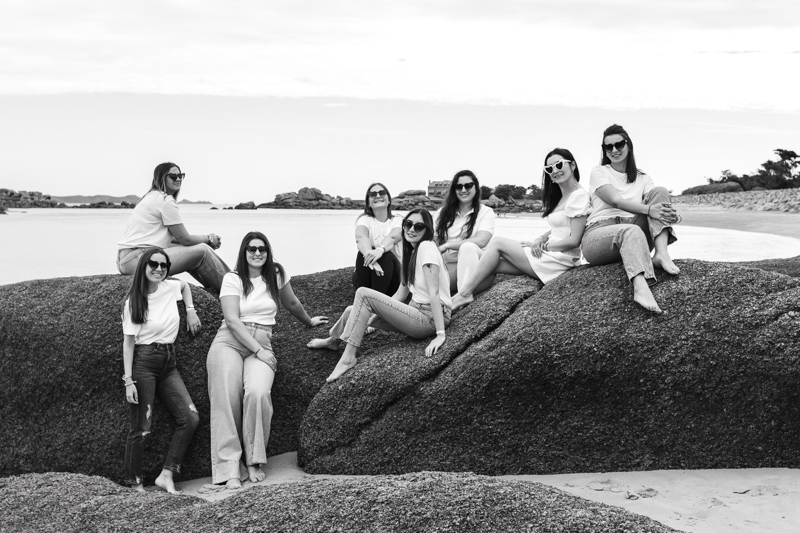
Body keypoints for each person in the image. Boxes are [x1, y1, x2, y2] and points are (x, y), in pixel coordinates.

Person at [207, 231, 328, 489]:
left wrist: (309, 321)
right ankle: (229, 468)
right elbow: (231, 320)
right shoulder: (232, 278)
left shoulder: (276, 274)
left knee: (258, 393)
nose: (257, 253)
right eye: (252, 249)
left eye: (262, 248)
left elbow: (292, 302)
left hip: (262, 339)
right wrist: (258, 350)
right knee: (226, 398)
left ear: (268, 250)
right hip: (229, 340)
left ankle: (253, 460)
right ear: (244, 251)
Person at [308, 209, 452, 383]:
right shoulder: (411, 254)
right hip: (414, 312)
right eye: (408, 224)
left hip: (429, 319)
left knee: (363, 294)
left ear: (427, 229)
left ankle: (348, 359)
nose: (411, 229)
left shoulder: (426, 247)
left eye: (418, 226)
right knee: (351, 311)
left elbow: (434, 292)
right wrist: (372, 317)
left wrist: (440, 334)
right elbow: (400, 294)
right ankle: (333, 340)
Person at [452, 148, 591, 310]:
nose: (555, 170)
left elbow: (574, 239)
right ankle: (463, 298)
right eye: (550, 168)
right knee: (491, 263)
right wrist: (539, 239)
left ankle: (462, 295)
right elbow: (559, 228)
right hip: (551, 254)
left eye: (559, 165)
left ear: (573, 165)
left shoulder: (578, 195)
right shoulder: (563, 197)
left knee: (497, 242)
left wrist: (542, 247)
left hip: (559, 260)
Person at [122, 247, 201, 495]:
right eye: (153, 264)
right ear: (144, 266)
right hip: (145, 362)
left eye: (163, 265)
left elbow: (186, 287)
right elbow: (128, 344)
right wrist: (129, 381)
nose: (159, 269)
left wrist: (190, 310)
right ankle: (135, 484)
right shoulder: (134, 302)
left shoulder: (169, 287)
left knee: (190, 418)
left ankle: (167, 474)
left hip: (169, 361)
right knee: (142, 428)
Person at [580, 124, 680, 313]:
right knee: (631, 230)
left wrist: (668, 214)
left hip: (635, 234)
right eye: (608, 147)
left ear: (629, 145)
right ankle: (640, 287)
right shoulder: (599, 172)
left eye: (619, 144)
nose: (614, 150)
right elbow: (615, 200)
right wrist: (650, 210)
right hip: (599, 236)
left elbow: (657, 205)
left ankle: (661, 254)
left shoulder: (643, 178)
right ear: (604, 150)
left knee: (660, 192)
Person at [117, 162, 230, 291]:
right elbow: (185, 239)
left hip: (127, 260)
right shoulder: (165, 201)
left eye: (180, 176)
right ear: (161, 178)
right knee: (202, 251)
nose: (178, 179)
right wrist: (209, 239)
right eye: (173, 176)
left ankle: (215, 289)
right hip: (138, 259)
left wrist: (201, 241)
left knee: (192, 250)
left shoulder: (151, 197)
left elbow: (177, 238)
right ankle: (235, 288)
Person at [434, 170, 496, 294]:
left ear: (476, 187)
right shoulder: (442, 213)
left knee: (468, 247)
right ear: (454, 189)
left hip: (476, 264)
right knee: (426, 285)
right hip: (449, 264)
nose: (463, 190)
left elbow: (482, 240)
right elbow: (434, 240)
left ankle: (463, 296)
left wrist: (448, 245)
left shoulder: (485, 212)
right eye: (459, 186)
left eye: (468, 185)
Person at [352, 183, 403, 296]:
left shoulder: (398, 220)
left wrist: (380, 250)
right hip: (368, 274)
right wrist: (370, 258)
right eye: (373, 194)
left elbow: (393, 236)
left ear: (389, 200)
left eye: (382, 193)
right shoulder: (365, 219)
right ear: (368, 203)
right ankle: (365, 300)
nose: (378, 195)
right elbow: (360, 236)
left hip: (392, 277)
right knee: (362, 254)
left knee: (386, 255)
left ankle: (375, 303)